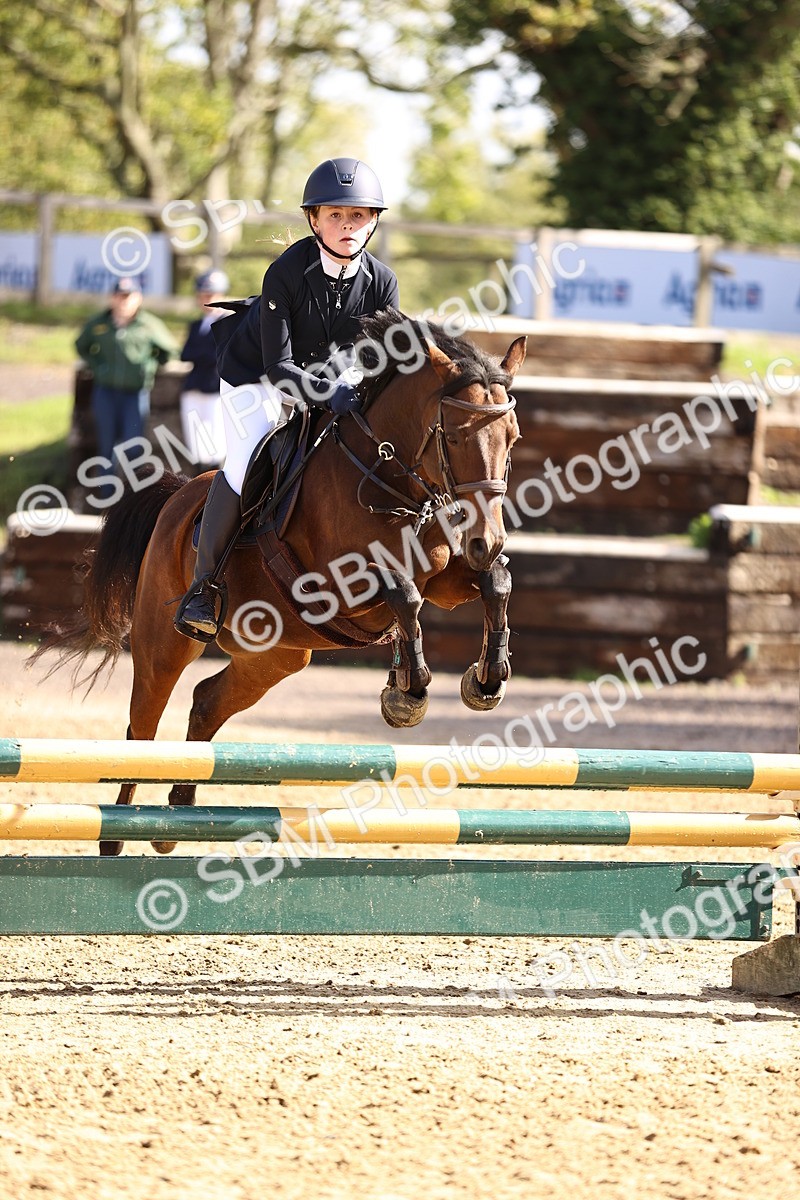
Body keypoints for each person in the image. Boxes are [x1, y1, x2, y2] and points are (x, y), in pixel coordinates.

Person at [174, 156, 399, 642]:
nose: (347, 225)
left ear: (373, 222)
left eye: (358, 215)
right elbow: (279, 369)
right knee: (245, 462)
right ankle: (203, 587)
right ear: (313, 220)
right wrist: (329, 393)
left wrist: (355, 387)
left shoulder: (382, 281)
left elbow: (380, 355)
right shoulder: (286, 271)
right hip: (254, 376)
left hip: (330, 380)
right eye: (335, 215)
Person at [75, 277, 177, 497]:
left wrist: (148, 366)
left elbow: (169, 350)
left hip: (135, 394)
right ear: (112, 298)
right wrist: (98, 366)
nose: (123, 302)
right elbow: (81, 345)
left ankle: (133, 503)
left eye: (128, 297)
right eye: (120, 296)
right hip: (106, 393)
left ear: (138, 299)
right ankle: (105, 501)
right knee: (106, 448)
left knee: (134, 449)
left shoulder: (148, 324)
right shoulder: (100, 323)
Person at [179, 269, 230, 474]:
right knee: (196, 441)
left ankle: (212, 479)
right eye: (203, 294)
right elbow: (185, 353)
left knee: (215, 442)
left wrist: (199, 353)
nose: (206, 299)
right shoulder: (195, 324)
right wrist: (202, 353)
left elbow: (215, 355)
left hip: (214, 387)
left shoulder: (227, 322)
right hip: (195, 385)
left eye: (211, 295)